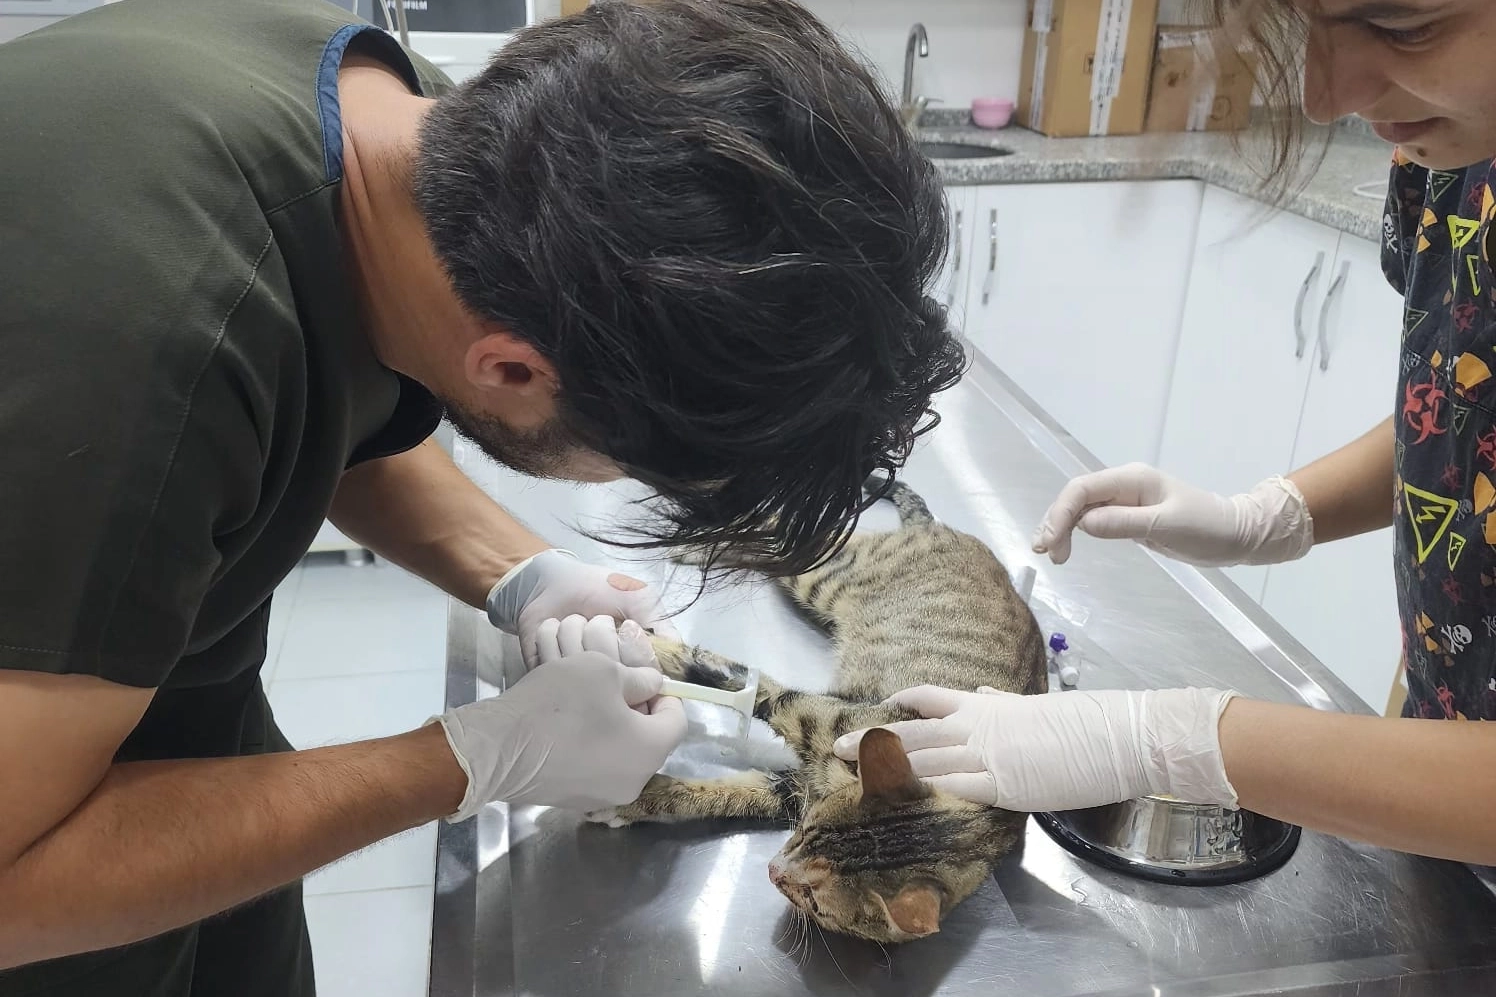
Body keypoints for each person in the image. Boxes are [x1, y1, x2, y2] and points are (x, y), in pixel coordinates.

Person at [0, 0, 963, 990]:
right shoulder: (149, 359)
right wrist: (472, 759)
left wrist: (522, 573)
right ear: (510, 370)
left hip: (159, 724)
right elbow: (13, 880)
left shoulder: (438, 147)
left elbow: (321, 393)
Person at [837, 0, 1496, 866]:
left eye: (1405, 29)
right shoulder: (1450, 148)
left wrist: (1174, 738)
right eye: (1308, 31)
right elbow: (1459, 406)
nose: (1323, 97)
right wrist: (1270, 514)